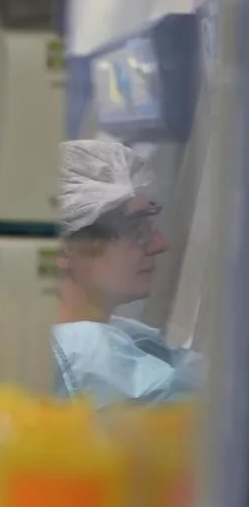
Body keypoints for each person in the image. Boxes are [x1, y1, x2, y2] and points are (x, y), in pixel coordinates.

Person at [52, 140, 203, 408]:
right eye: (136, 230)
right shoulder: (83, 358)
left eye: (151, 226)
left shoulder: (124, 337)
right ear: (64, 250)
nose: (160, 245)